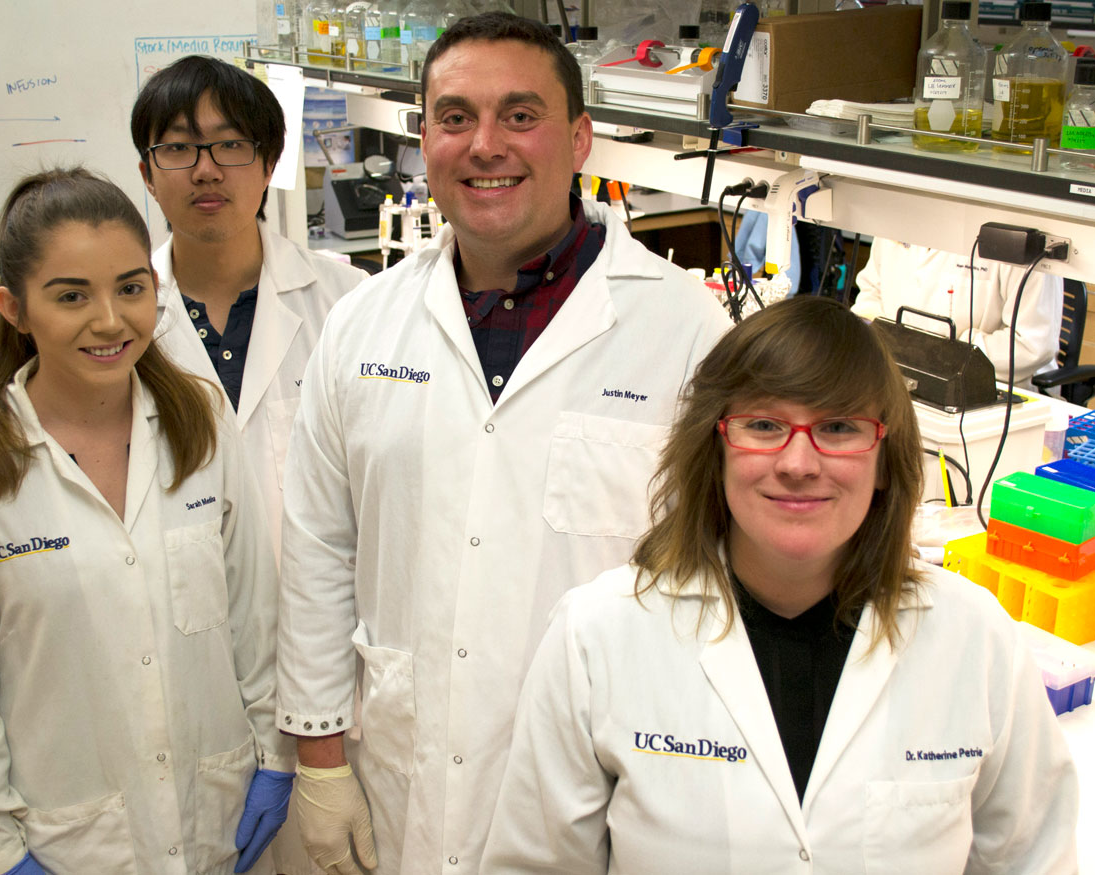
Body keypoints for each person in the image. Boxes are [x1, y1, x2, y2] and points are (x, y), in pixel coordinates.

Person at [275, 12, 731, 874]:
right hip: (400, 776)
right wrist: (320, 756)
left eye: (520, 115)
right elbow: (318, 552)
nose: (486, 144)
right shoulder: (361, 327)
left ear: (581, 138)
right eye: (454, 118)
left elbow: (711, 580)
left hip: (598, 789)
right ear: (425, 138)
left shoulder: (685, 331)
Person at [481, 296, 1078, 874]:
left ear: (884, 457)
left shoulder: (974, 639)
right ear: (714, 448)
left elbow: (1034, 860)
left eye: (839, 427)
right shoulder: (598, 635)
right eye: (764, 424)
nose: (798, 463)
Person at [0, 169, 295, 875]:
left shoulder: (201, 422)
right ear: (13, 308)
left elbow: (253, 616)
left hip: (222, 812)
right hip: (72, 840)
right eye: (70, 295)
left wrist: (274, 757)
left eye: (131, 287)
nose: (110, 319)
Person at [131, 55, 367, 555]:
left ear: (269, 164)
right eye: (177, 148)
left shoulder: (349, 301)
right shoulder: (120, 322)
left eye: (231, 145)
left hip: (314, 614)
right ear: (147, 174)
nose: (206, 171)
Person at [852, 237, 1063, 387]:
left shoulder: (1020, 240)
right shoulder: (896, 215)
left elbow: (1032, 343)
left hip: (995, 391)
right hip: (898, 377)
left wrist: (948, 355)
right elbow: (871, 291)